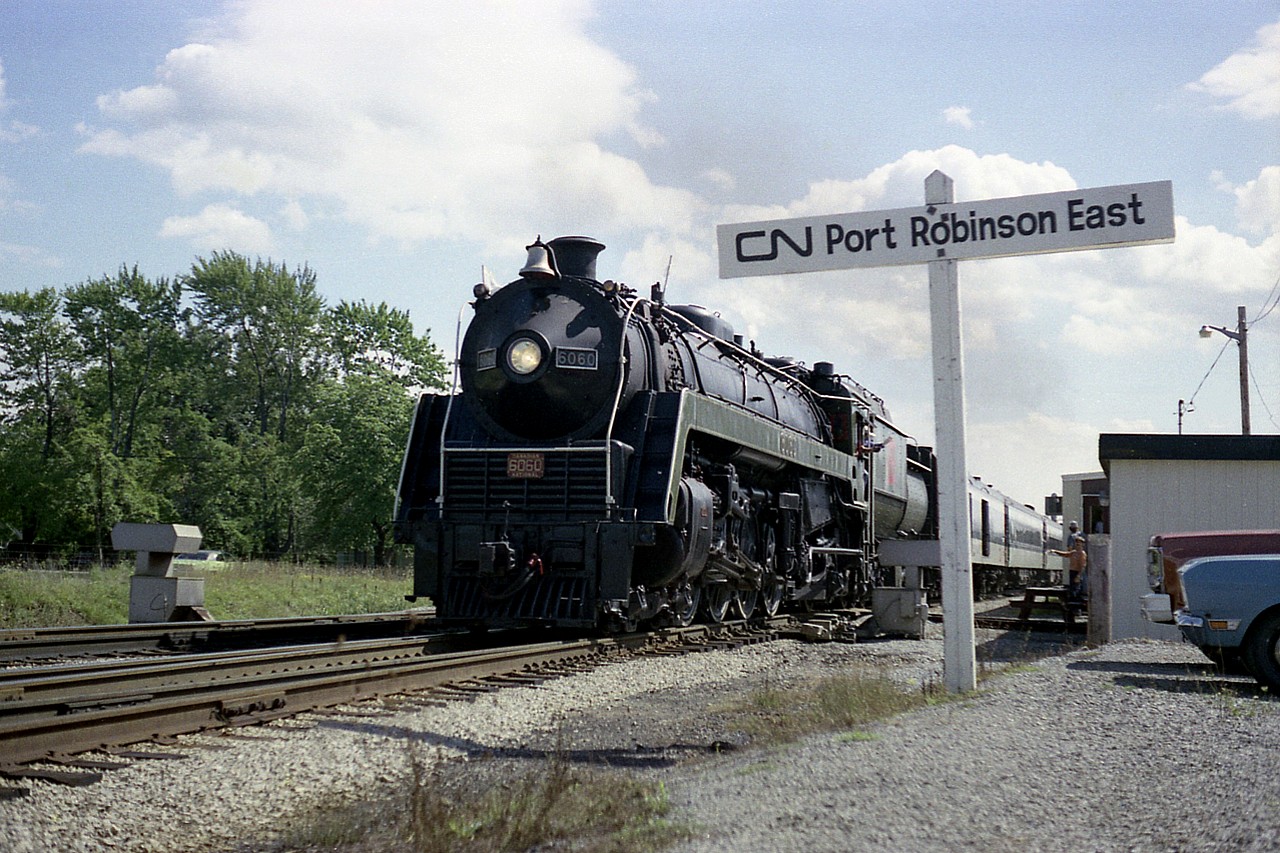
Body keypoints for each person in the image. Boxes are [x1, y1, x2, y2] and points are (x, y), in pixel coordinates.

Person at [1050, 537, 1088, 601]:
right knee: (1072, 588)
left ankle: (1076, 606)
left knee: (1076, 589)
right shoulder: (1073, 552)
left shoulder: (1082, 553)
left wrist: (1079, 576)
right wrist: (1055, 551)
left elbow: (1083, 566)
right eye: (1076, 543)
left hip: (1077, 573)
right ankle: (1072, 604)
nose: (1077, 544)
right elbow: (1065, 554)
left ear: (1082, 544)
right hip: (1072, 572)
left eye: (1079, 543)